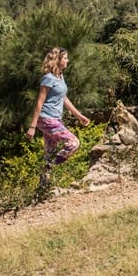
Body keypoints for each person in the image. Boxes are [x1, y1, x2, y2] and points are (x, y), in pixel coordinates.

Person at [26, 47, 90, 187]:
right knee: (73, 143)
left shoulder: (59, 77)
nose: (68, 60)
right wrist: (32, 126)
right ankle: (52, 167)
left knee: (49, 153)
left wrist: (79, 115)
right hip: (47, 119)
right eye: (65, 58)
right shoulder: (48, 78)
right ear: (58, 60)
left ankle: (43, 188)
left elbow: (64, 98)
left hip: (55, 119)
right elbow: (39, 102)